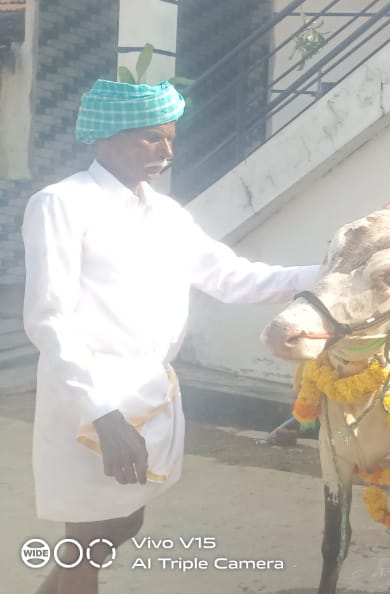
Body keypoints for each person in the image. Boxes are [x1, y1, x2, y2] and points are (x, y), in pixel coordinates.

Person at [22, 79, 321, 594]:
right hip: (89, 394)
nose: (167, 152)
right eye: (152, 138)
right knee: (88, 538)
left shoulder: (165, 214)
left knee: (124, 522)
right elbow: (50, 319)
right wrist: (104, 415)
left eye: (170, 138)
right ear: (107, 135)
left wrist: (337, 270)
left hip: (151, 393)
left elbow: (233, 278)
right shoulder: (62, 204)